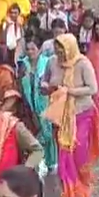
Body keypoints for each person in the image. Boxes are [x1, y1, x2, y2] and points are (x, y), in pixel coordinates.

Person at [42, 34, 99, 197]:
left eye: (62, 50)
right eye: (57, 50)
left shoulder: (82, 64)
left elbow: (92, 88)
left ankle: (81, 188)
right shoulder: (52, 62)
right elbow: (44, 81)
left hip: (80, 114)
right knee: (64, 154)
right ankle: (68, 190)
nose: (59, 54)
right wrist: (47, 87)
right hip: (60, 116)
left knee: (78, 152)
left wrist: (70, 91)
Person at [17, 34, 57, 173]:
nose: (30, 52)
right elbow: (20, 84)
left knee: (47, 133)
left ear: (39, 49)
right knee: (34, 133)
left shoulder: (47, 63)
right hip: (29, 105)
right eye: (28, 49)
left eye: (33, 49)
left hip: (45, 103)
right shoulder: (23, 64)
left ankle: (51, 162)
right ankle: (39, 163)